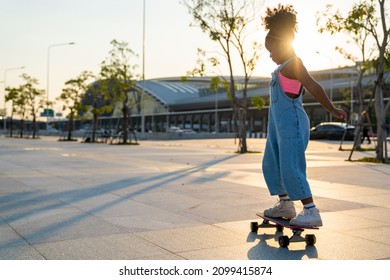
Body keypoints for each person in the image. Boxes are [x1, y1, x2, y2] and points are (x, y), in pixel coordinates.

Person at [261, 4, 347, 227]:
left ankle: (310, 210)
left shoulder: (294, 64)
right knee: (271, 164)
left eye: (271, 49)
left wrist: (331, 108)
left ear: (282, 45)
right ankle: (286, 204)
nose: (269, 54)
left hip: (292, 126)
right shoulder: (279, 70)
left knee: (291, 167)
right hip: (278, 129)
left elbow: (314, 86)